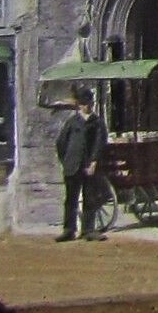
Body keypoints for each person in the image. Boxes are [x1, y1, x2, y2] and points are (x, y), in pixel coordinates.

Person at [54, 87, 109, 242]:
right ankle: (69, 229)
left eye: (89, 103)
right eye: (83, 104)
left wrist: (94, 162)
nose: (87, 106)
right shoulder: (72, 122)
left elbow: (100, 143)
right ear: (79, 105)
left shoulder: (97, 123)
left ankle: (88, 230)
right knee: (70, 199)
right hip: (72, 165)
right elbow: (61, 142)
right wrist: (65, 161)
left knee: (90, 197)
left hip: (88, 165)